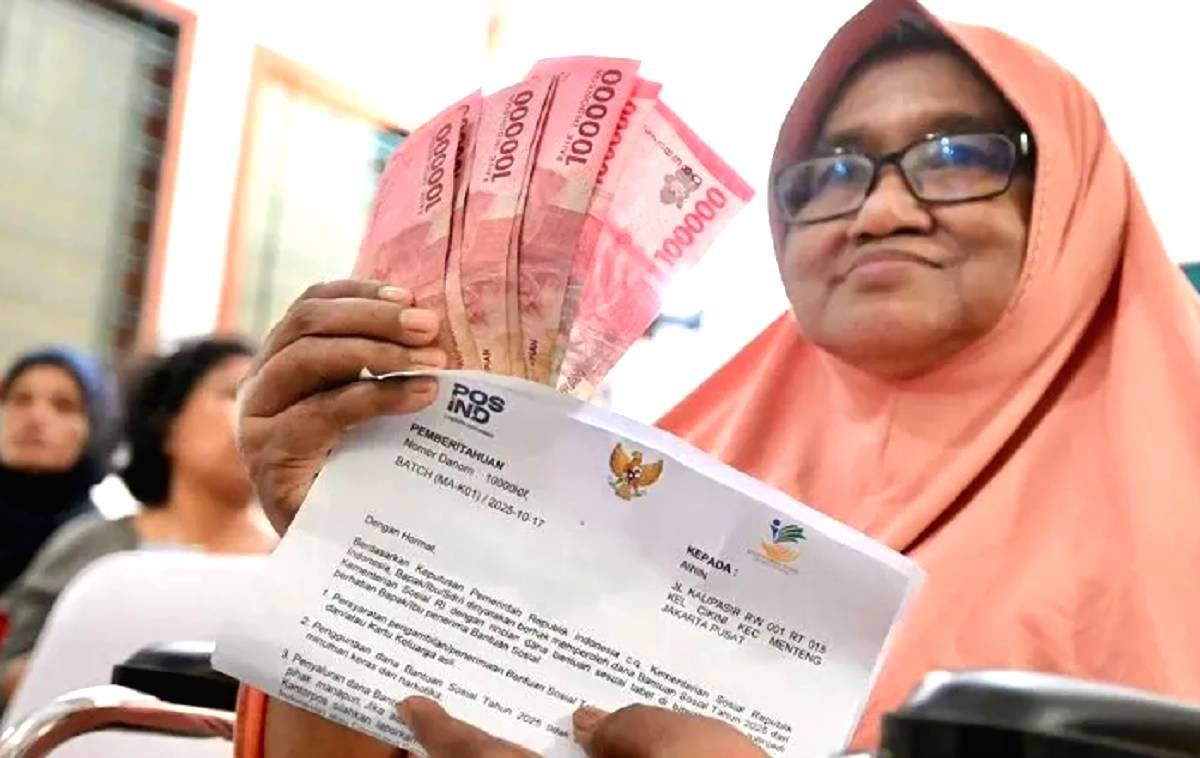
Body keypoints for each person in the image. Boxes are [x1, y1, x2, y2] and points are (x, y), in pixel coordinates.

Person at [229, 0, 1200, 754]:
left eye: (954, 155)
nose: (879, 210)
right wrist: (359, 546)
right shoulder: (661, 470)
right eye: (830, 173)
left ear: (1071, 195)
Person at [0, 336, 277, 706]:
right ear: (169, 422)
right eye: (235, 392)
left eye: (278, 399)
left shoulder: (300, 571)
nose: (263, 412)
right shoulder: (90, 546)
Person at [0, 346, 116, 597]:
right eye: (20, 399)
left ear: (95, 428)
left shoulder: (99, 553)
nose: (35, 417)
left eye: (64, 406)